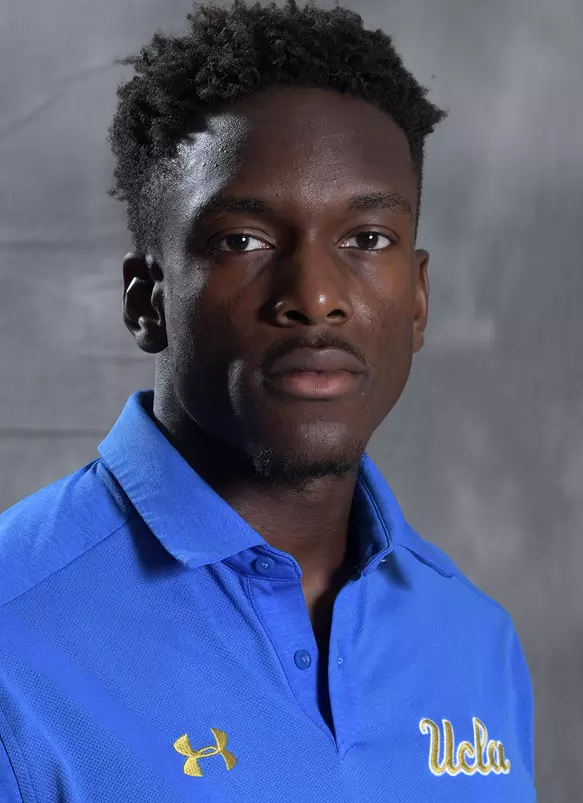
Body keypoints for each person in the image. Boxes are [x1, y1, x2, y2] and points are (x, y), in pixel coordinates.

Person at [0, 1, 536, 800]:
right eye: (241, 241)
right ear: (146, 300)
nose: (314, 297)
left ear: (417, 300)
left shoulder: (474, 639)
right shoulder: (16, 635)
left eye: (366, 240)